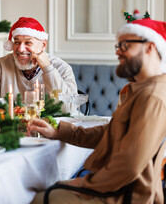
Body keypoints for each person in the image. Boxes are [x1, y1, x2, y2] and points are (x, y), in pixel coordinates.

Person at [29, 18, 166, 203]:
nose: (118, 51)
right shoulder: (142, 89)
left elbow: (130, 165)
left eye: (125, 46)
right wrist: (58, 131)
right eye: (118, 46)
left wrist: (87, 183)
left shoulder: (152, 97)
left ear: (150, 47)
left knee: (31, 198)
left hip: (120, 196)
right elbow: (111, 133)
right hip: (114, 188)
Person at [0, 17, 77, 98]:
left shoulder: (63, 68)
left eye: (28, 43)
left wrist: (47, 68)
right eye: (17, 42)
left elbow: (69, 109)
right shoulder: (1, 65)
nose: (21, 49)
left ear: (43, 45)